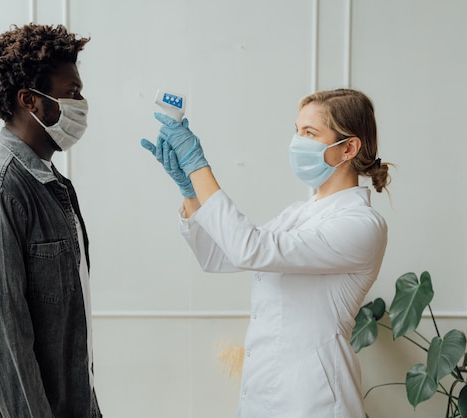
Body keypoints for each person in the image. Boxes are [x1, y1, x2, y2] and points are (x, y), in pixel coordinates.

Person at [141, 88, 390, 417]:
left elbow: (249, 250)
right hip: (262, 392)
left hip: (315, 401)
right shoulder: (297, 214)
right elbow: (220, 256)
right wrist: (190, 193)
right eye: (297, 130)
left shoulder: (362, 225)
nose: (297, 141)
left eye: (310, 133)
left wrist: (197, 166)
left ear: (349, 147)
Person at [0, 23, 102, 418]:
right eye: (72, 92)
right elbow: (2, 344)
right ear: (30, 100)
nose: (82, 104)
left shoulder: (51, 186)